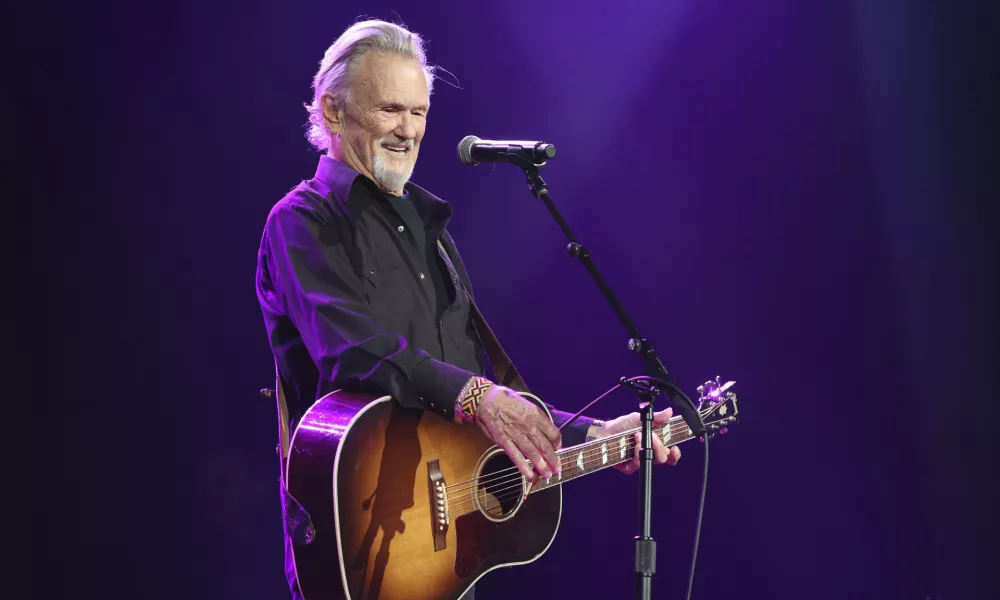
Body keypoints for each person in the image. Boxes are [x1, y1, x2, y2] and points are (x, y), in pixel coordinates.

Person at [255, 19, 682, 600]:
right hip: (362, 550)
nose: (409, 130)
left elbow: (479, 388)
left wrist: (592, 431)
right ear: (332, 113)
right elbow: (349, 348)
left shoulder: (433, 233)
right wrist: (477, 398)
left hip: (445, 559)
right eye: (390, 110)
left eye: (420, 112)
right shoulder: (302, 222)